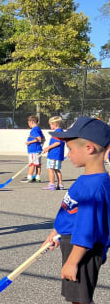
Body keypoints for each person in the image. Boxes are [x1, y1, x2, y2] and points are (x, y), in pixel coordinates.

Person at [43, 117, 110, 304]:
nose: (67, 154)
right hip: (73, 244)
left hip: (82, 250)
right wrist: (56, 231)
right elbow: (70, 210)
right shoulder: (86, 179)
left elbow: (87, 229)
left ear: (89, 148)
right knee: (76, 298)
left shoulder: (95, 186)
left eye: (71, 149)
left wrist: (73, 262)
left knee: (81, 300)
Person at [42, 116, 66, 191]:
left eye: (51, 124)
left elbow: (57, 143)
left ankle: (51, 184)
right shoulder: (60, 132)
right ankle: (60, 184)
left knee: (50, 168)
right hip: (57, 154)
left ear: (55, 124)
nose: (50, 126)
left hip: (54, 154)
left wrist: (48, 148)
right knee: (57, 169)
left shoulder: (57, 132)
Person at [22, 115, 45, 183]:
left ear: (31, 122)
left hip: (33, 150)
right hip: (38, 149)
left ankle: (29, 177)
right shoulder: (38, 129)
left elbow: (39, 138)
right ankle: (37, 177)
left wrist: (29, 142)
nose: (28, 124)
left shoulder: (34, 130)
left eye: (28, 123)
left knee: (32, 164)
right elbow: (43, 139)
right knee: (37, 164)